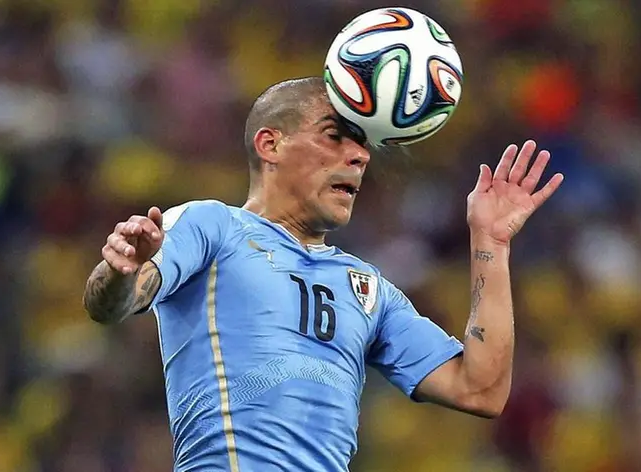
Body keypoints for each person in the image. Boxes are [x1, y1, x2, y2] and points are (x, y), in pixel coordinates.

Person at [82, 76, 563, 471]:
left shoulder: (370, 289)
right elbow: (112, 302)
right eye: (335, 136)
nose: (360, 156)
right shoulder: (214, 226)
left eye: (362, 144)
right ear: (271, 144)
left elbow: (479, 390)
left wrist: (492, 244)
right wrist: (121, 271)